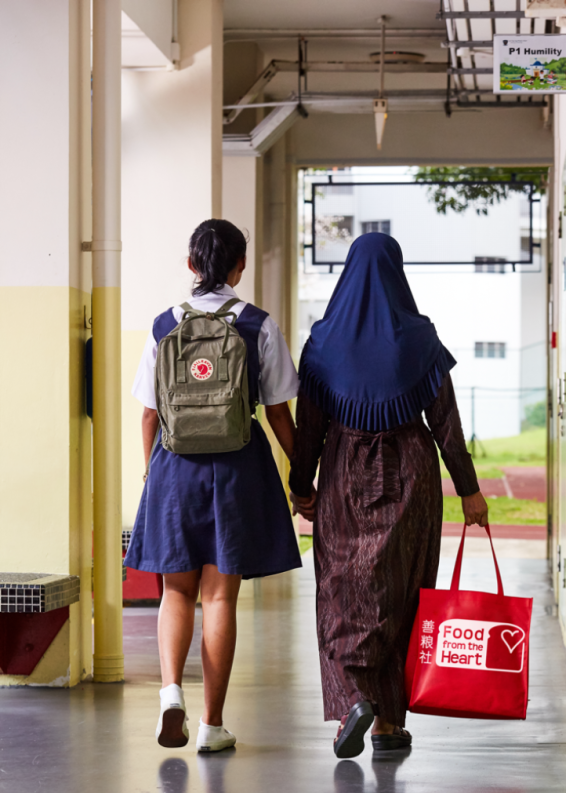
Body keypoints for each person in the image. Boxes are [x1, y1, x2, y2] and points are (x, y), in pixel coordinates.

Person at [289, 232, 488, 760]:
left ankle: (355, 699)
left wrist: (300, 485)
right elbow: (446, 424)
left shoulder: (323, 342)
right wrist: (470, 491)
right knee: (403, 594)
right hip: (412, 475)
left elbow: (309, 426)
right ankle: (389, 725)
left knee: (342, 592)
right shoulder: (419, 339)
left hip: (344, 475)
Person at [125, 219, 301, 752]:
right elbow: (277, 412)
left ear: (190, 265)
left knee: (175, 591)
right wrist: (305, 474)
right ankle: (211, 725)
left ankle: (171, 693)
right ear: (239, 266)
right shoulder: (258, 325)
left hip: (176, 468)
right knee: (220, 596)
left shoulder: (163, 325)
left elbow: (150, 416)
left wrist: (151, 471)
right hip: (236, 467)